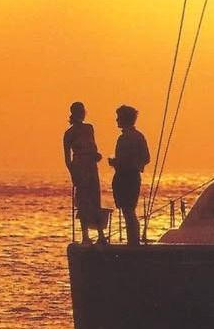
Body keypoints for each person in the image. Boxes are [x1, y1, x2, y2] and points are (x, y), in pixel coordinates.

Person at [63, 101, 106, 244]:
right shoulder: (69, 134)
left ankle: (100, 235)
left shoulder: (89, 128)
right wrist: (73, 174)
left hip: (91, 166)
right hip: (79, 167)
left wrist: (96, 155)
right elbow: (67, 159)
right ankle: (85, 235)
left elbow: (93, 147)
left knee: (95, 200)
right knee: (83, 202)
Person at [109, 104, 150, 246]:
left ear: (124, 119)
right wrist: (137, 165)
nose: (116, 120)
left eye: (118, 117)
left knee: (128, 211)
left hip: (125, 177)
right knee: (129, 210)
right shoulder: (139, 136)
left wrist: (117, 163)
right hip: (133, 176)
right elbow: (146, 158)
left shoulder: (124, 138)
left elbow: (123, 160)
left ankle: (133, 242)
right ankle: (133, 240)